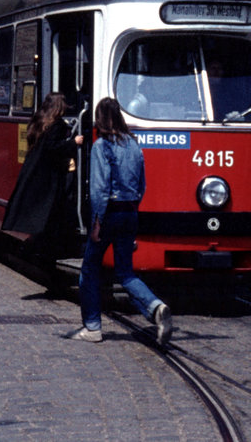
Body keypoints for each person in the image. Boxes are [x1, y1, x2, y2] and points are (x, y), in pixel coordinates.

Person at [74, 97, 172, 345]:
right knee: (126, 272)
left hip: (109, 214)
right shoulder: (133, 145)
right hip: (130, 212)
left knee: (89, 271)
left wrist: (96, 222)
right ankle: (156, 307)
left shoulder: (101, 146)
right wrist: (132, 210)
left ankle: (93, 327)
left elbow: (99, 189)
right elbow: (142, 186)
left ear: (99, 119)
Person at [1, 92, 83, 258]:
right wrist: (73, 142)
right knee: (53, 213)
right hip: (49, 176)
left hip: (34, 171)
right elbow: (53, 148)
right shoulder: (58, 125)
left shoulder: (38, 121)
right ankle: (46, 249)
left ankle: (34, 247)